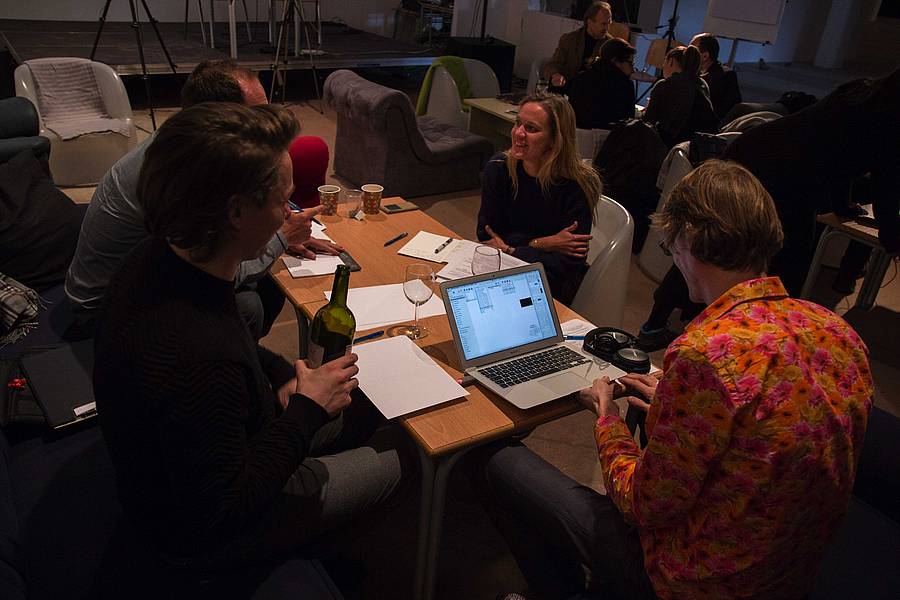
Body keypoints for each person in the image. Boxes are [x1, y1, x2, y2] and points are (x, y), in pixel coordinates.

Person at [476, 159, 874, 600]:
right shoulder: (837, 331)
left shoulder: (704, 352)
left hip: (693, 580)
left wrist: (607, 419)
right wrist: (678, 402)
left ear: (687, 241)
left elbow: (643, 505)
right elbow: (763, 425)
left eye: (672, 248)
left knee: (496, 460)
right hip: (787, 572)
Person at [94, 102, 405, 580]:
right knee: (405, 461)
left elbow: (234, 351)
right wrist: (305, 411)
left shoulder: (163, 259)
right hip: (202, 535)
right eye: (284, 201)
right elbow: (223, 508)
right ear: (237, 211)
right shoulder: (197, 355)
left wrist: (279, 378)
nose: (291, 214)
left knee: (369, 400)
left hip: (223, 452)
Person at [65, 59, 340, 339]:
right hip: (103, 311)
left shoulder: (189, 142)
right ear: (217, 118)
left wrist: (279, 225)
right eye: (258, 117)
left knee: (267, 280)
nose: (268, 127)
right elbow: (212, 269)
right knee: (248, 305)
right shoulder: (186, 173)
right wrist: (282, 237)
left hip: (149, 278)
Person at [477, 93, 601, 305]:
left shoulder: (577, 185)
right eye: (518, 123)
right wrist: (542, 243)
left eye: (531, 128)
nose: (518, 133)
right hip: (502, 271)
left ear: (555, 139)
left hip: (549, 286)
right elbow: (486, 235)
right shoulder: (498, 169)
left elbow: (568, 262)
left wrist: (511, 249)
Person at [642, 45, 719, 147]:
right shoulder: (702, 85)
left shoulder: (665, 85)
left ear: (671, 61)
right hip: (695, 148)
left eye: (664, 61)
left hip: (667, 146)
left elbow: (648, 122)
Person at [567, 38, 637, 130]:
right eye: (630, 64)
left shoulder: (581, 77)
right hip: (608, 136)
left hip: (577, 133)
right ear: (615, 61)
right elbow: (627, 121)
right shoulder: (625, 85)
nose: (632, 70)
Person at [542, 1, 613, 90]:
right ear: (590, 22)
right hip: (567, 87)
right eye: (603, 24)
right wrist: (556, 75)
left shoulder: (610, 45)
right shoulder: (569, 40)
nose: (607, 28)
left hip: (592, 91)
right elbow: (553, 64)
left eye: (609, 23)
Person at [690, 33, 742, 121]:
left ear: (705, 56)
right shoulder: (695, 72)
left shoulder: (725, 76)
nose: (687, 54)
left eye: (692, 51)